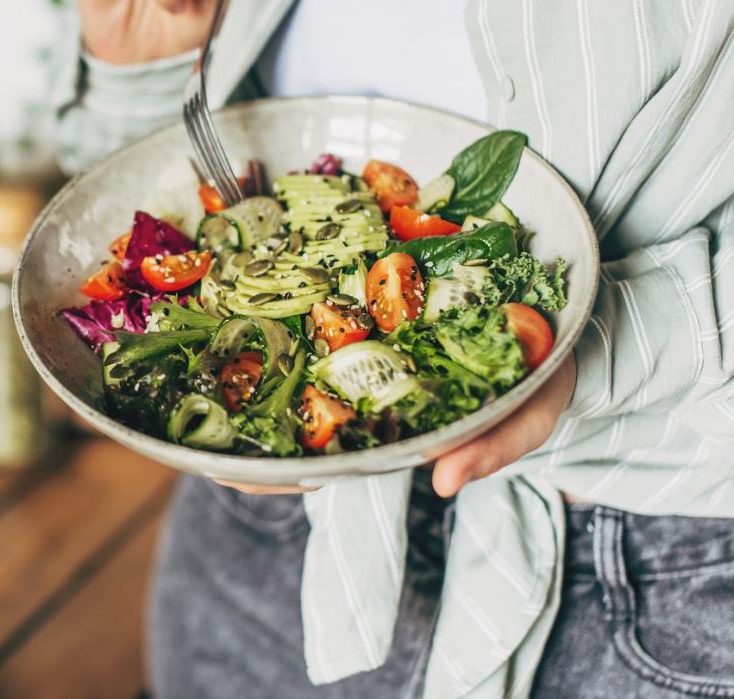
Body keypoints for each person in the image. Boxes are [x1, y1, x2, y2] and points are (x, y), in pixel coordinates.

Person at [49, 1, 734, 697]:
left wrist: (608, 337)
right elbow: (129, 196)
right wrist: (142, 65)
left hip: (645, 571)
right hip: (264, 532)